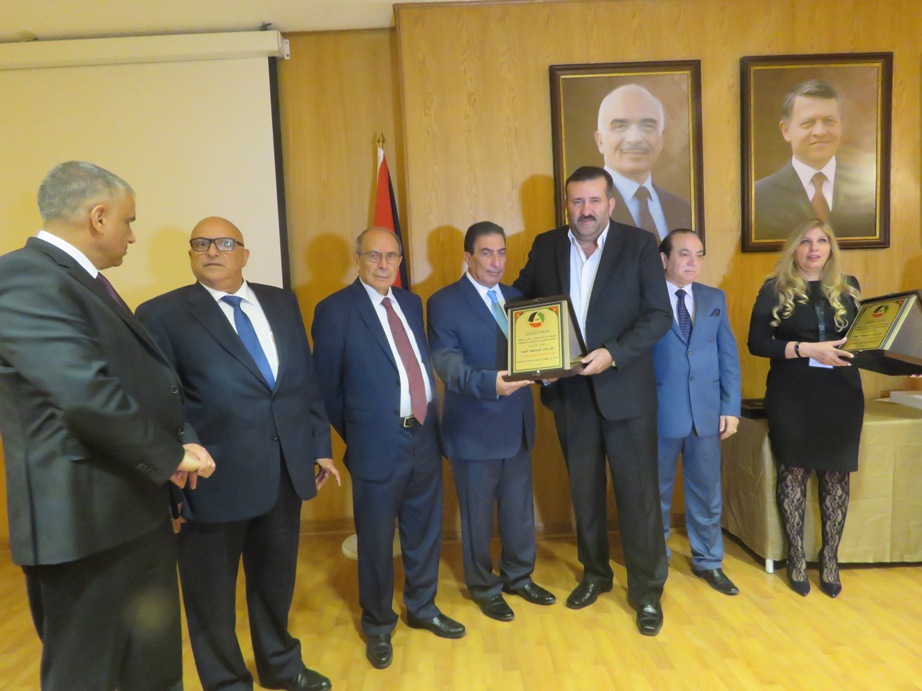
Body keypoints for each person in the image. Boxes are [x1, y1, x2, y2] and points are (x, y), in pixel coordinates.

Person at [0, 161, 216, 690]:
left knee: (151, 670)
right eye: (128, 221)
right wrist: (170, 456)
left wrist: (172, 446)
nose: (132, 235)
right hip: (83, 526)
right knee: (89, 674)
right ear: (98, 217)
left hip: (131, 510)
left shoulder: (80, 282)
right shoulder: (24, 276)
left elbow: (135, 383)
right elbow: (83, 394)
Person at [136, 217, 339, 691]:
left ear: (244, 254)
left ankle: (281, 666)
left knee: (275, 584)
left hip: (284, 473)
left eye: (225, 243)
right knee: (211, 598)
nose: (213, 250)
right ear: (191, 255)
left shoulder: (281, 302)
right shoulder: (161, 314)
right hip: (211, 479)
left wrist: (319, 446)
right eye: (201, 243)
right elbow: (159, 398)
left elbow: (304, 381)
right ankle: (227, 682)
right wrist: (183, 448)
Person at [513, 166, 673, 636]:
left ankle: (646, 592)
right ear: (567, 204)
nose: (585, 211)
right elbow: (520, 305)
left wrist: (613, 353)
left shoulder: (639, 245)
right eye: (577, 201)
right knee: (584, 494)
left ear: (610, 203)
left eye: (594, 201)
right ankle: (596, 575)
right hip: (571, 395)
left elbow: (658, 315)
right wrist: (534, 359)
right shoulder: (546, 246)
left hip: (626, 393)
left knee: (638, 496)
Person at [311, 228, 465, 669]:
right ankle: (378, 624)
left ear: (399, 261)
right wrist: (362, 433)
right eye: (374, 256)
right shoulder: (335, 310)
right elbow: (326, 388)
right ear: (357, 259)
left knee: (424, 529)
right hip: (376, 442)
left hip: (423, 434)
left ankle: (422, 607)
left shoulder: (411, 303)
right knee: (376, 539)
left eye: (391, 256)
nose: (383, 264)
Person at [427, 221, 555, 623]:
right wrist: (490, 385)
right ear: (468, 257)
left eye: (501, 252)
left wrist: (550, 369)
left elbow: (533, 353)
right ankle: (484, 587)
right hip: (474, 428)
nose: (496, 261)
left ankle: (519, 577)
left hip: (517, 426)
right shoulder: (444, 302)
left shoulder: (517, 298)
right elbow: (447, 364)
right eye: (486, 253)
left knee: (519, 513)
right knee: (478, 519)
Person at [747, 219, 863, 598]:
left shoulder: (850, 288)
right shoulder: (774, 289)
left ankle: (830, 557)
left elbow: (865, 342)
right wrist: (805, 349)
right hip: (792, 395)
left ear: (831, 248)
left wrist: (900, 359)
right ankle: (796, 556)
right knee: (793, 473)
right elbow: (757, 343)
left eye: (822, 241)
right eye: (806, 242)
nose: (814, 249)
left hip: (841, 395)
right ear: (793, 249)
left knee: (836, 476)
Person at [652, 229, 741, 596]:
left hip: (706, 413)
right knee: (654, 493)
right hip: (658, 413)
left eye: (699, 255)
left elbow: (727, 356)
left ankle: (708, 561)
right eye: (684, 254)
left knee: (706, 492)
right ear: (664, 259)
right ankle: (654, 560)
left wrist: (730, 407)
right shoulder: (647, 297)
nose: (693, 262)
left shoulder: (713, 298)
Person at [754, 79, 877, 240]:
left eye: (829, 121)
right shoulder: (759, 197)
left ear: (840, 124)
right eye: (808, 123)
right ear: (786, 130)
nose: (820, 131)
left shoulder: (871, 190)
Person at [595, 83, 693, 239]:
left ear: (660, 140)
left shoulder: (682, 210)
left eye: (647, 126)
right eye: (620, 126)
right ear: (600, 141)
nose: (635, 138)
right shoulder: (586, 209)